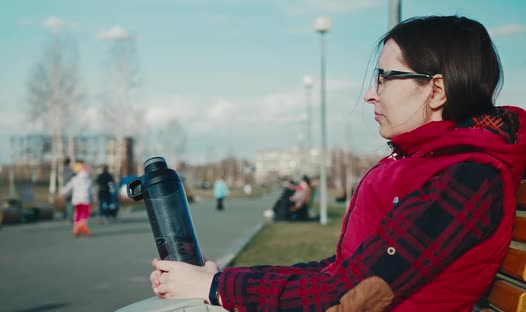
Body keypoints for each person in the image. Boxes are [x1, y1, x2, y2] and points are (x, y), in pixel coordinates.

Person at [148, 15, 526, 311]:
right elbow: (340, 271)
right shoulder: (429, 165)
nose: (369, 94)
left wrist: (215, 289)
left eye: (384, 78)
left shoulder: (467, 180)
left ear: (437, 89)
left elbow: (343, 293)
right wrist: (219, 281)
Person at [61, 160, 93, 236]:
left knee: (77, 213)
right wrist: (92, 198)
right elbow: (90, 190)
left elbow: (69, 186)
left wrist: (63, 193)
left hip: (76, 199)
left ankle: (76, 228)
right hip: (85, 199)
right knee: (85, 213)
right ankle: (81, 225)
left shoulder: (75, 178)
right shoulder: (87, 179)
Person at [62, 157, 75, 222]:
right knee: (70, 204)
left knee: (69, 204)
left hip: (67, 189)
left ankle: (70, 217)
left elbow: (65, 180)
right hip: (71, 189)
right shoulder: (71, 170)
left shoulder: (65, 170)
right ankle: (71, 217)